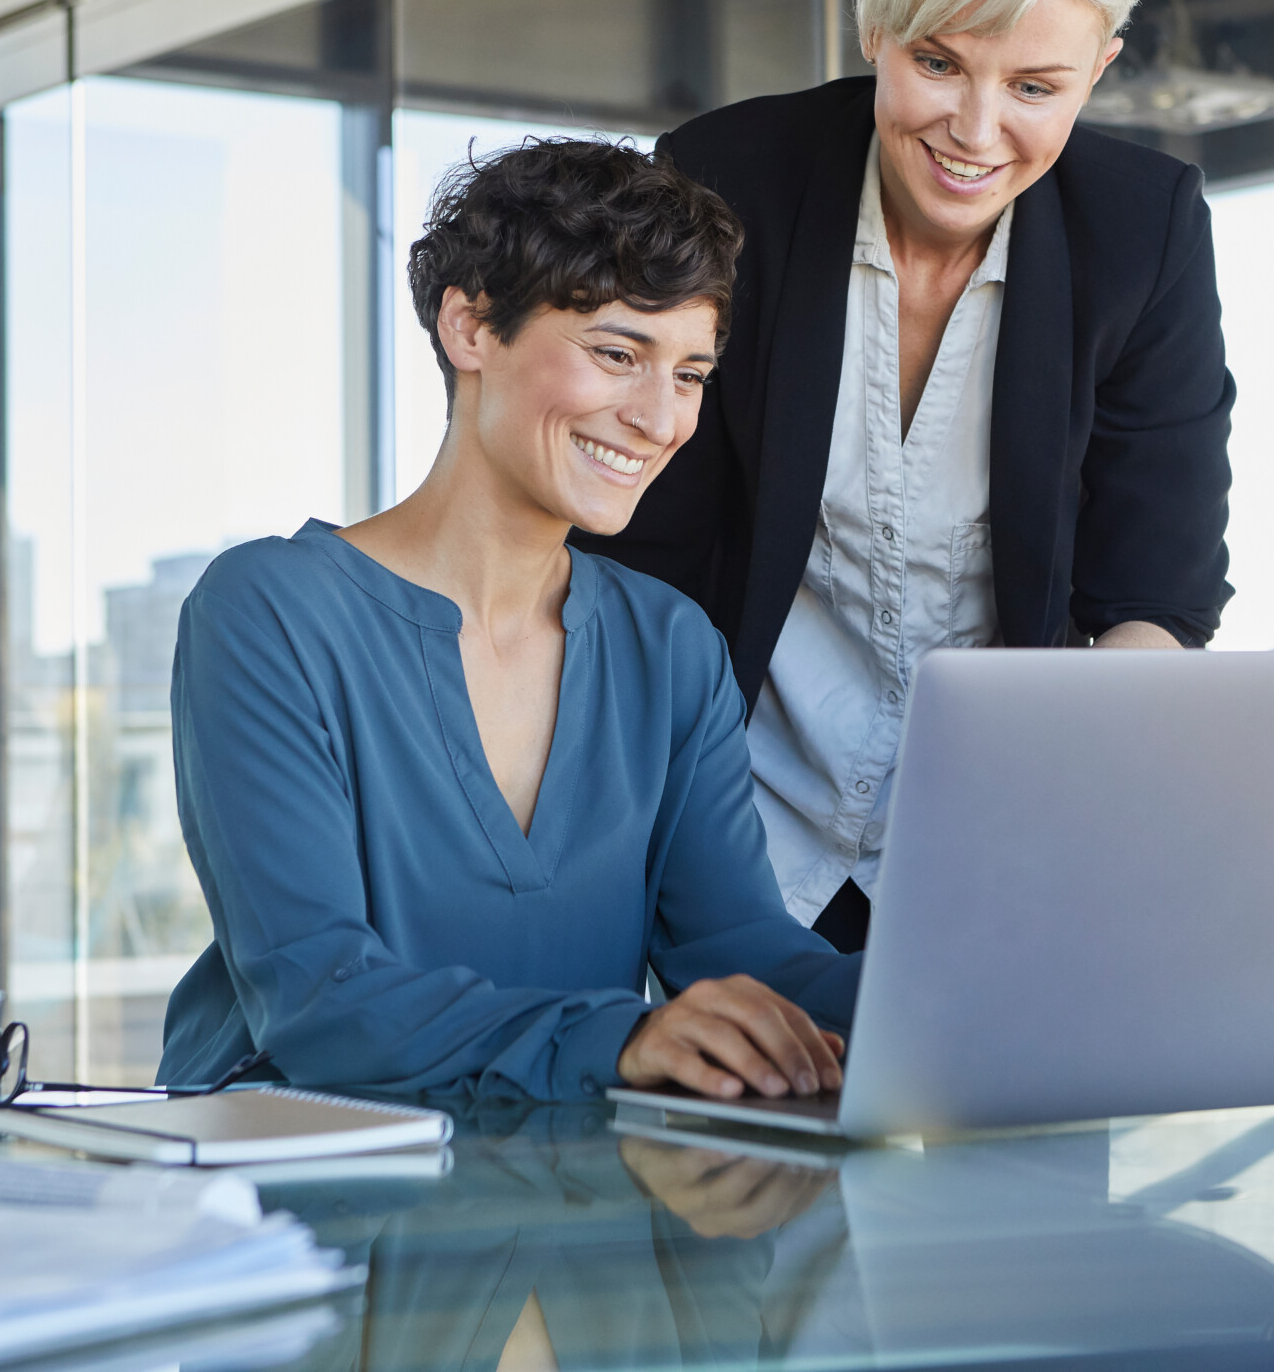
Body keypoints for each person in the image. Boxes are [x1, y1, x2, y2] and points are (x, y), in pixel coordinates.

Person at [578, 0, 1235, 954]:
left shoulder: (1144, 231)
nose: (976, 133)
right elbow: (640, 559)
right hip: (733, 832)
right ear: (873, 20)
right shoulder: (720, 184)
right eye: (938, 62)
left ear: (1101, 67)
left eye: (1036, 85)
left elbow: (1158, 594)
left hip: (1001, 851)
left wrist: (1063, 809)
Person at [155, 141, 858, 1104]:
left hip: (565, 1218)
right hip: (301, 1214)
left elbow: (739, 953)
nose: (662, 418)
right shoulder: (269, 615)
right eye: (618, 354)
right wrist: (625, 1038)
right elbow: (320, 997)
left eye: (691, 373)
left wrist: (949, 999)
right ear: (471, 326)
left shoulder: (670, 646)